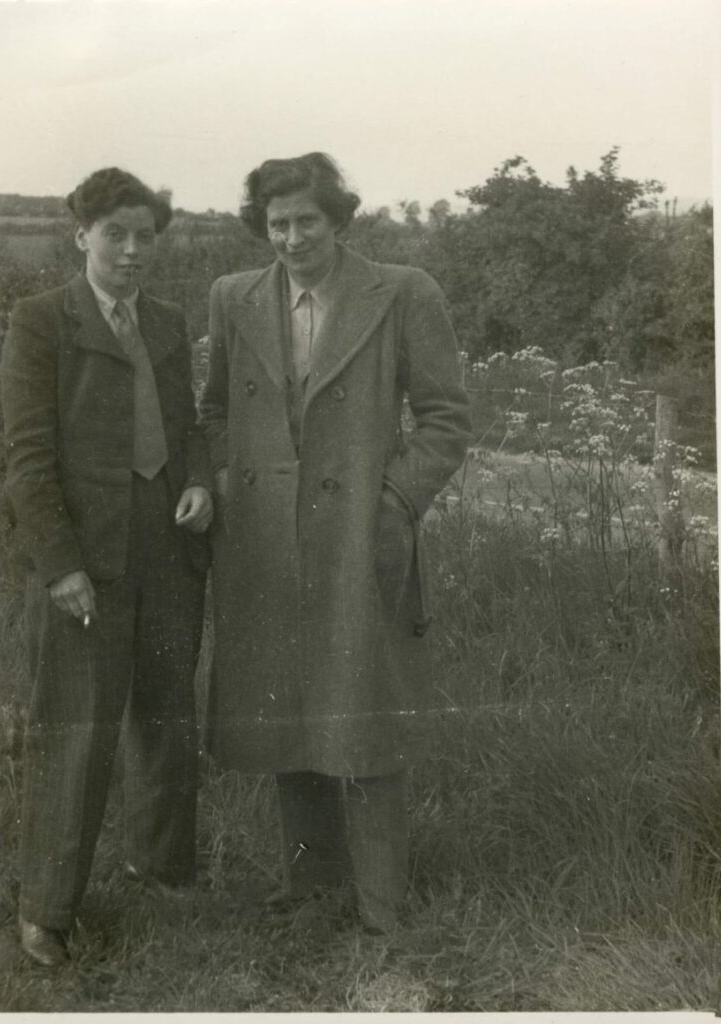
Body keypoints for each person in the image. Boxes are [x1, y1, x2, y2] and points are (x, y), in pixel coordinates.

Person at [199, 152, 471, 934]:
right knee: (285, 705)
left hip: (357, 537)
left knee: (363, 710)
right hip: (262, 539)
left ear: (338, 219)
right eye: (276, 224)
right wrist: (229, 481)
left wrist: (393, 503)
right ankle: (312, 883)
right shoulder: (232, 298)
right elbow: (214, 410)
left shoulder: (402, 292)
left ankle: (384, 906)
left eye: (305, 221)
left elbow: (446, 419)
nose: (290, 239)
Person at [0, 167, 213, 966]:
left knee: (165, 716)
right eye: (114, 234)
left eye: (144, 236)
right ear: (81, 234)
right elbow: (25, 459)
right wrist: (59, 566)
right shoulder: (40, 321)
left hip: (165, 548)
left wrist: (196, 480)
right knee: (77, 730)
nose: (131, 251)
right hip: (85, 562)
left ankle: (161, 867)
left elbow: (187, 424)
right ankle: (46, 910)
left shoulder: (163, 319)